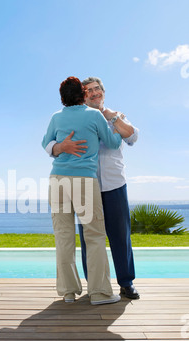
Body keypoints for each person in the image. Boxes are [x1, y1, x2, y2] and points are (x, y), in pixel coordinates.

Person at [47, 77, 140, 300]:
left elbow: (133, 136)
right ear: (82, 95)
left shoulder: (113, 116)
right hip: (86, 185)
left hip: (113, 184)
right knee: (90, 238)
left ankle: (126, 283)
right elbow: (50, 144)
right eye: (88, 90)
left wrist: (115, 118)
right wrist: (60, 146)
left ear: (103, 92)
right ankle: (95, 286)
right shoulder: (75, 118)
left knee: (120, 236)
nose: (94, 93)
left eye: (97, 89)